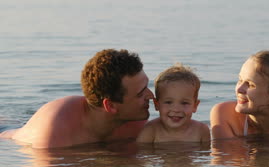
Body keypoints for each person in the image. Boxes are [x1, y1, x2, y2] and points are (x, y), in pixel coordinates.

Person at [0, 49, 154, 148]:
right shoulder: (56, 132)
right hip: (7, 135)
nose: (151, 96)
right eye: (141, 93)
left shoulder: (135, 120)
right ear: (110, 106)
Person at [136, 64, 210, 143]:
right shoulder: (151, 131)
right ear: (156, 104)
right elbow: (141, 153)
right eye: (168, 102)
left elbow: (205, 153)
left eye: (184, 103)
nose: (176, 109)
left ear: (195, 106)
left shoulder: (201, 131)